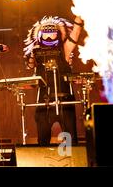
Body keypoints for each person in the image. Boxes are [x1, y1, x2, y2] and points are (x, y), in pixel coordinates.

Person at [23, 15, 84, 146]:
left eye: (51, 34)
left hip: (65, 101)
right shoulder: (35, 51)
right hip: (44, 102)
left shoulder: (64, 50)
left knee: (70, 139)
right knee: (43, 139)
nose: (49, 38)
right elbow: (30, 66)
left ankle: (71, 163)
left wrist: (78, 19)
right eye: (45, 35)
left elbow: (75, 35)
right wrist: (31, 58)